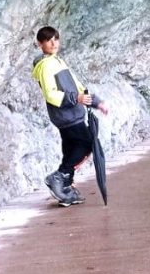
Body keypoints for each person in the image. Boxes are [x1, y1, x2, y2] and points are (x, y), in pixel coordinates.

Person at [32, 26, 109, 206]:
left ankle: (66, 188)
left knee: (70, 151)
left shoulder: (58, 62)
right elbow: (51, 94)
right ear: (40, 44)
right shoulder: (45, 66)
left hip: (71, 114)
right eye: (48, 40)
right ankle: (59, 177)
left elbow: (78, 87)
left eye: (56, 39)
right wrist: (77, 98)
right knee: (88, 142)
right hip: (67, 116)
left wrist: (97, 103)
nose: (53, 43)